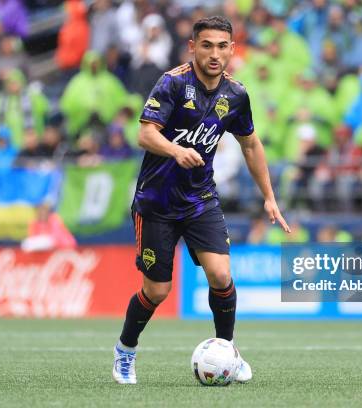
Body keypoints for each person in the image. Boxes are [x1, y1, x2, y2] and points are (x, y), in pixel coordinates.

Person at [112, 16, 290, 385]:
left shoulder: (236, 95)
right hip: (156, 204)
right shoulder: (173, 83)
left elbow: (251, 144)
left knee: (221, 275)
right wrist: (175, 151)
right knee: (156, 291)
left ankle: (227, 350)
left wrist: (269, 197)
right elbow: (145, 134)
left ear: (232, 50)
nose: (214, 53)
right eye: (206, 45)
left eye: (222, 46)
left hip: (200, 200)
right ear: (192, 46)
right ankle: (125, 352)